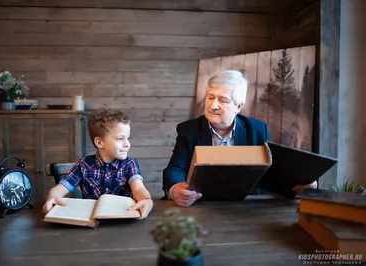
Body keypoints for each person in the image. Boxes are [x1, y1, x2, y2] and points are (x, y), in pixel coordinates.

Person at [163, 70, 317, 207]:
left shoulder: (257, 130)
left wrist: (300, 185)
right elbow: (175, 169)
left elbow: (272, 174)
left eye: (222, 100)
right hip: (202, 205)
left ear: (238, 107)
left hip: (247, 207)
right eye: (210, 97)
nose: (213, 106)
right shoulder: (189, 130)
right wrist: (175, 188)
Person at [42, 109, 153, 219]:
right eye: (120, 138)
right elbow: (59, 189)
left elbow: (138, 189)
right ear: (100, 142)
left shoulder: (130, 164)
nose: (127, 144)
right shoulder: (84, 165)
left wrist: (146, 200)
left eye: (127, 138)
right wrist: (53, 196)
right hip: (91, 222)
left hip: (122, 220)